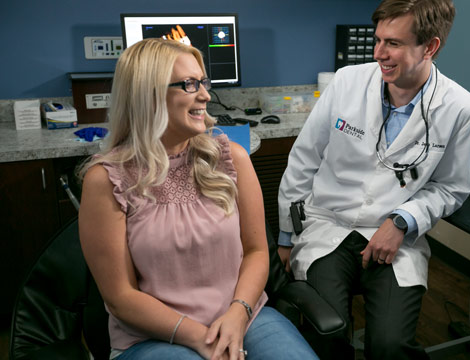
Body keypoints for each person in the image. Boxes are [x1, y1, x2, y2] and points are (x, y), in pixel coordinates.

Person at [78, 38, 318, 360]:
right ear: (148, 95)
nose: (205, 95)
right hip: (153, 336)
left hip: (243, 318)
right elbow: (121, 296)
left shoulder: (231, 159)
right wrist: (201, 337)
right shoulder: (107, 180)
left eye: (203, 82)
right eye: (189, 85)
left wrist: (238, 313)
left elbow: (258, 251)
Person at [277, 0, 470, 359]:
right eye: (378, 40)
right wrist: (287, 236)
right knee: (329, 333)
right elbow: (303, 159)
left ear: (430, 47)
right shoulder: (347, 82)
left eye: (394, 44)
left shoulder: (460, 108)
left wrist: (403, 221)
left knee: (390, 346)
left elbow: (451, 188)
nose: (379, 54)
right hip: (328, 224)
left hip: (394, 239)